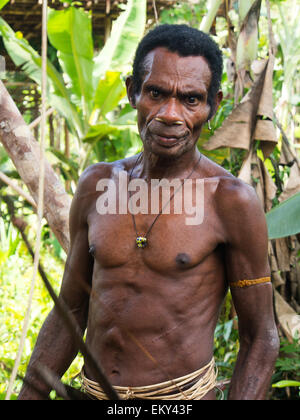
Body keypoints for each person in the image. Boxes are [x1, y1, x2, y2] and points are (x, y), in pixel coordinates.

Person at [19, 24, 279, 400]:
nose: (170, 114)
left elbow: (259, 337)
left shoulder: (230, 200)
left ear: (214, 105)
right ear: (132, 92)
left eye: (190, 99)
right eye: (156, 93)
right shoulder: (97, 184)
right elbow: (71, 310)